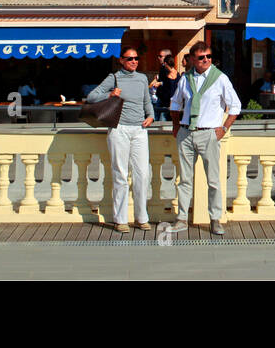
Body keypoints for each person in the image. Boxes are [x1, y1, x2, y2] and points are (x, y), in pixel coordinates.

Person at [168, 41, 241, 236]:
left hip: (209, 132)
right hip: (186, 132)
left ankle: (215, 219)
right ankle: (182, 218)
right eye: (201, 57)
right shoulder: (185, 79)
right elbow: (175, 103)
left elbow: (235, 106)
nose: (206, 60)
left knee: (214, 180)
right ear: (193, 59)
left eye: (209, 56)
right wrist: (176, 125)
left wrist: (224, 128)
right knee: (184, 180)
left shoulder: (220, 78)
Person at [86, 49, 155, 232]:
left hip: (140, 129)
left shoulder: (141, 78)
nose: (134, 61)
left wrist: (151, 115)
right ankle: (120, 219)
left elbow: (146, 101)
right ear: (121, 61)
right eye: (129, 58)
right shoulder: (114, 77)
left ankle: (141, 218)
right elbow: (91, 96)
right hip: (119, 129)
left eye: (136, 58)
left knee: (143, 174)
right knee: (121, 174)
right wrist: (109, 94)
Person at [151, 49, 178, 121]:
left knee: (162, 119)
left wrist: (160, 83)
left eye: (161, 56)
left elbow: (170, 84)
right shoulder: (163, 68)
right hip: (161, 97)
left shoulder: (171, 71)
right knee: (156, 117)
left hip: (166, 101)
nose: (159, 58)